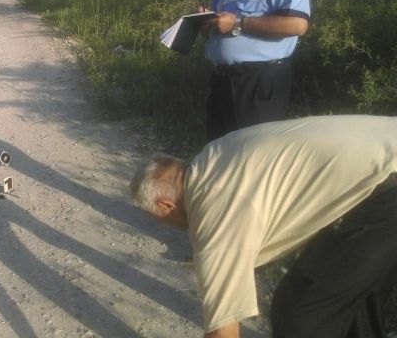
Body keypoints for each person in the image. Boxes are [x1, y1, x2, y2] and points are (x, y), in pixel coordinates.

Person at [129, 115, 397, 338]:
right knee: (351, 302)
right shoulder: (214, 156)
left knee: (300, 314)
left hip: (383, 185)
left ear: (165, 205)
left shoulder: (214, 211)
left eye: (157, 218)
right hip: (381, 162)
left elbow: (224, 328)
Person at [199, 0, 311, 141]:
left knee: (252, 159)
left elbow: (297, 25)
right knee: (217, 154)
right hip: (222, 81)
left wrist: (238, 22)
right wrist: (206, 26)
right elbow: (223, 31)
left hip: (259, 83)